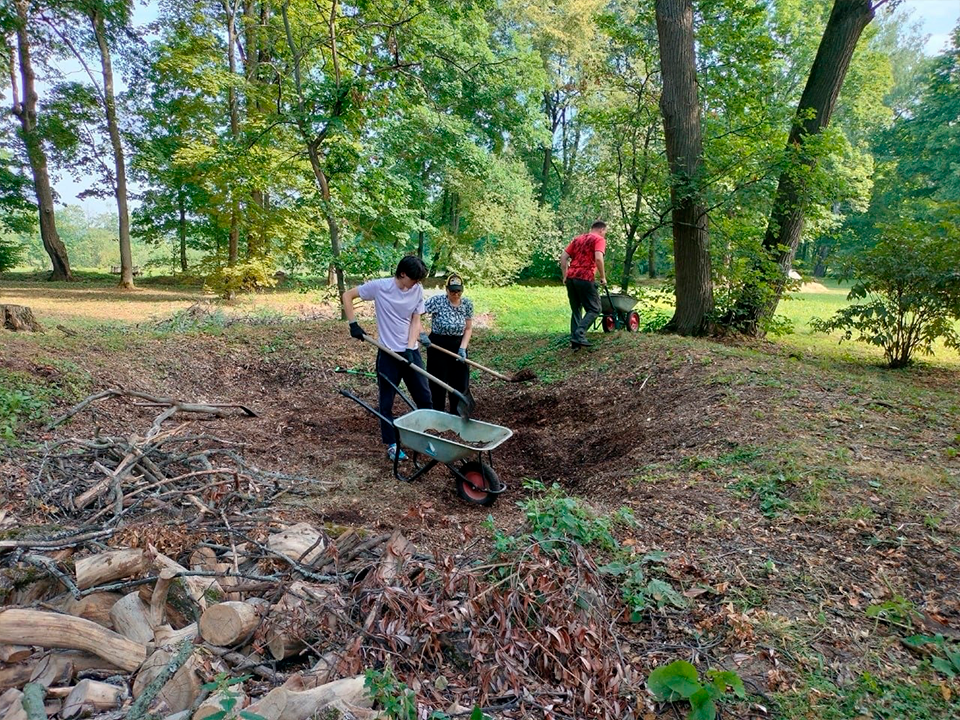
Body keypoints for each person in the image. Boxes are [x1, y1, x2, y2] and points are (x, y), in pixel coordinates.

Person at [342, 255, 432, 461]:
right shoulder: (380, 287)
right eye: (414, 279)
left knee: (425, 399)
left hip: (411, 352)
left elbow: (415, 319)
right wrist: (353, 324)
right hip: (388, 353)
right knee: (386, 402)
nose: (417, 284)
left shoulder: (417, 290)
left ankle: (423, 438)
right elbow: (347, 295)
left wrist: (410, 347)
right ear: (402, 274)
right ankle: (392, 444)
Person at [421, 274, 473, 414]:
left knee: (459, 382)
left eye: (458, 291)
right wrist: (421, 333)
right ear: (446, 289)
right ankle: (437, 413)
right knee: (438, 381)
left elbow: (468, 329)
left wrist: (462, 349)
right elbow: (415, 314)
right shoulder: (437, 301)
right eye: (452, 291)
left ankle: (457, 414)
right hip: (438, 344)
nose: (455, 294)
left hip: (458, 345)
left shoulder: (467, 304)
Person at [559, 221, 608, 349]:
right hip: (585, 277)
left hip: (571, 277)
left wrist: (565, 275)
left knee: (576, 309)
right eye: (605, 232)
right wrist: (602, 277)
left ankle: (575, 341)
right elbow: (598, 258)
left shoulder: (578, 239)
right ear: (602, 230)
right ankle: (580, 332)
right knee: (595, 308)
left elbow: (563, 257)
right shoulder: (599, 240)